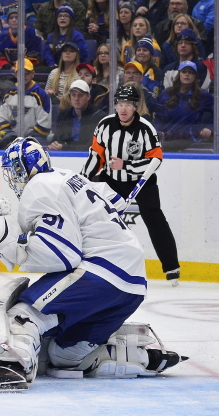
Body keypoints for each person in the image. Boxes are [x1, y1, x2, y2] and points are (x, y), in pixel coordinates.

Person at [0, 136, 186, 391]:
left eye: (15, 172)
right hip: (132, 285)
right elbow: (113, 199)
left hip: (102, 271)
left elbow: (64, 254)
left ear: (26, 169)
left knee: (23, 315)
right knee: (64, 356)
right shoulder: (66, 177)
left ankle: (12, 367)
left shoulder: (39, 187)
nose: (14, 179)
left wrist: (8, 242)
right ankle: (141, 356)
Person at [82, 85, 181, 285]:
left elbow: (156, 160)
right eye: (120, 104)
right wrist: (84, 179)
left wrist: (126, 165)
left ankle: (171, 267)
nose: (123, 109)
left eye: (128, 104)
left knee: (154, 217)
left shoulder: (146, 129)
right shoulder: (105, 125)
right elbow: (96, 155)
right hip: (111, 180)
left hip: (142, 181)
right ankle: (94, 260)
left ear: (135, 106)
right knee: (98, 217)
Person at [0, 59, 51, 149]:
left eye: (27, 73)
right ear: (15, 74)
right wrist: (11, 137)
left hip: (35, 138)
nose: (23, 76)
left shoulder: (42, 95)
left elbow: (44, 125)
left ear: (32, 74)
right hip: (11, 137)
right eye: (20, 72)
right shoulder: (8, 94)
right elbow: (2, 119)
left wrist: (24, 141)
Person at [156, 61, 213, 151]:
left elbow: (216, 113)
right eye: (184, 72)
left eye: (190, 72)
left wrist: (209, 128)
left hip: (191, 142)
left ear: (195, 76)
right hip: (167, 141)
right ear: (179, 75)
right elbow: (159, 118)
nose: (187, 74)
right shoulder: (166, 94)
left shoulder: (203, 96)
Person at [48, 79, 107, 150]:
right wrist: (54, 145)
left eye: (80, 95)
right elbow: (56, 139)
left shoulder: (98, 116)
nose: (76, 99)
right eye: (73, 95)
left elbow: (91, 147)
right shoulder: (63, 115)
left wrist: (64, 147)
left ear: (88, 97)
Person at [42, 3, 89, 68]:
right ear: (57, 19)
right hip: (54, 68)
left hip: (73, 68)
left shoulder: (77, 36)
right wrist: (52, 64)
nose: (62, 18)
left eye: (66, 16)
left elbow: (83, 53)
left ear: (71, 19)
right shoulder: (51, 36)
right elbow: (47, 53)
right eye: (60, 16)